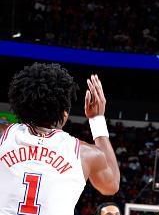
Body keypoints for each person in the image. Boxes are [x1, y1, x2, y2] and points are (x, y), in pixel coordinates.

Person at [0, 63, 120, 215]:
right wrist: (97, 119)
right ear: (65, 113)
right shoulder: (85, 153)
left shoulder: (3, 135)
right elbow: (111, 186)